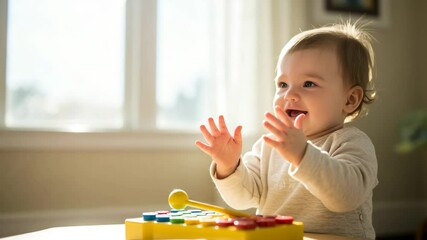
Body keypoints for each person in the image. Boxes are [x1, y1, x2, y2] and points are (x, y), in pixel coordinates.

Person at [195, 22, 378, 240]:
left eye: (308, 84)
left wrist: (302, 155)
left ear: (350, 100)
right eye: (282, 84)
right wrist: (229, 166)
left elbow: (345, 197)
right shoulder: (269, 145)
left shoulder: (351, 142)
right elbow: (242, 198)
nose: (289, 95)